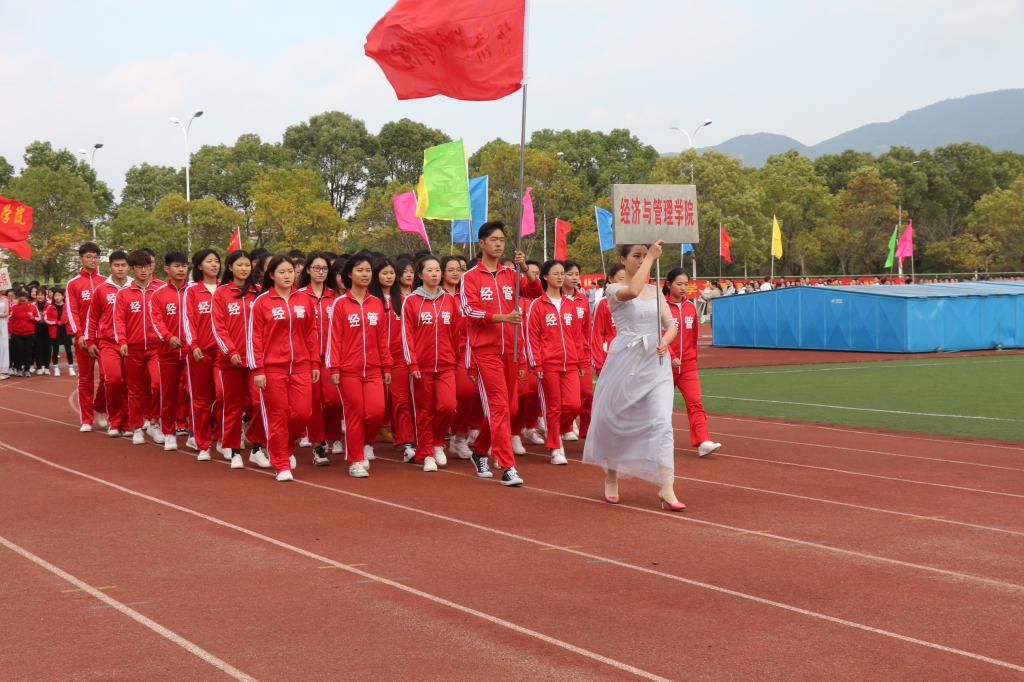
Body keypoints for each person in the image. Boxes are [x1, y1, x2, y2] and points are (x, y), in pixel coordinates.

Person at [582, 241, 685, 511]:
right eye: (636, 256)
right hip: (625, 361)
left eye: (644, 256)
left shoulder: (656, 290)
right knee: (616, 419)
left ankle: (667, 486)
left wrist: (665, 340)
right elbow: (633, 290)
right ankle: (612, 475)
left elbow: (671, 324)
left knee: (662, 422)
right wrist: (651, 258)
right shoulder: (614, 289)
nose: (641, 260)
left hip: (656, 362)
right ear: (623, 259)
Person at [460, 222, 529, 487]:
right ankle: (508, 466)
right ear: (482, 243)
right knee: (499, 406)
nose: (499, 244)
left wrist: (525, 269)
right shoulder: (470, 277)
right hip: (486, 350)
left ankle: (480, 450)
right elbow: (469, 310)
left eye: (502, 239)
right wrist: (501, 317)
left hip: (510, 348)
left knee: (509, 408)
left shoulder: (511, 274)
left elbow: (534, 291)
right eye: (493, 239)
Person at [247, 255, 320, 482]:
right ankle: (280, 464)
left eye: (290, 271)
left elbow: (311, 332)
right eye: (282, 272)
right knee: (278, 416)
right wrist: (258, 369)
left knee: (303, 413)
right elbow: (254, 338)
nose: (288, 276)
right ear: (271, 275)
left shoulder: (304, 300)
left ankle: (285, 447)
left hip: (301, 366)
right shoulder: (262, 302)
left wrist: (314, 362)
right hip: (272, 369)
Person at [327, 253, 392, 479]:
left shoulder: (377, 304)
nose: (365, 275)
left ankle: (365, 442)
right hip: (348, 370)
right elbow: (334, 338)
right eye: (360, 270)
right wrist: (334, 367)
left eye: (368, 271)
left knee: (376, 412)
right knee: (354, 413)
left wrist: (386, 366)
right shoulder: (340, 304)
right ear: (349, 274)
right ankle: (355, 460)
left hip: (373, 369)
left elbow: (382, 338)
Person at [401, 255, 459, 472]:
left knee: (448, 406)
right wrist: (412, 363)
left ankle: (437, 442)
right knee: (424, 410)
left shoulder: (449, 301)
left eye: (437, 270)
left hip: (446, 364)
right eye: (430, 270)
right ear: (420, 274)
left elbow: (456, 332)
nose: (435, 274)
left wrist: (454, 357)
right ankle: (426, 453)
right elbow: (407, 335)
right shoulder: (411, 301)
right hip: (421, 367)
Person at [212, 250, 265, 469]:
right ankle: (234, 450)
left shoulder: (258, 292)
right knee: (232, 406)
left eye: (247, 265)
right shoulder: (221, 293)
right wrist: (231, 351)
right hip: (230, 361)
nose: (244, 269)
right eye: (239, 265)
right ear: (230, 267)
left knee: (259, 402)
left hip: (255, 360)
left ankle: (257, 447)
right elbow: (218, 326)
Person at [525, 260, 581, 466]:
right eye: (555, 273)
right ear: (545, 277)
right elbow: (532, 336)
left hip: (570, 363)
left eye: (562, 273)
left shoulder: (570, 305)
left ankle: (556, 431)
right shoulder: (538, 305)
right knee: (553, 406)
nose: (560, 277)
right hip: (548, 364)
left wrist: (579, 359)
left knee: (574, 404)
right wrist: (536, 363)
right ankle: (556, 447)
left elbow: (577, 335)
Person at [663, 269, 722, 458]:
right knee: (661, 407)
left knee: (695, 402)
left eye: (685, 284)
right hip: (664, 366)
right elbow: (659, 334)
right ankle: (655, 442)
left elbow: (693, 335)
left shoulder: (690, 307)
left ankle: (703, 441)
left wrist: (692, 357)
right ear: (668, 284)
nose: (683, 288)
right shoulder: (661, 307)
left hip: (688, 366)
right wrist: (671, 356)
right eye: (679, 284)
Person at [297, 251, 343, 466]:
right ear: (308, 270)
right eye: (316, 268)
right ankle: (318, 445)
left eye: (324, 268)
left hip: (331, 358)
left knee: (333, 400)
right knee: (314, 402)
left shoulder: (336, 298)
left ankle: (333, 435)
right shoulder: (298, 296)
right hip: (307, 359)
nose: (320, 272)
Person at [114, 249, 162, 446]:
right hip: (132, 349)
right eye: (140, 267)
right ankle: (137, 427)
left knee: (157, 384)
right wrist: (122, 341)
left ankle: (154, 422)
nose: (144, 271)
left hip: (156, 348)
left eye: (147, 267)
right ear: (132, 269)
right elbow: (118, 320)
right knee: (135, 390)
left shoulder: (159, 291)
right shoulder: (124, 294)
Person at [371, 257, 415, 459]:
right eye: (384, 273)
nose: (389, 277)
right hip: (373, 359)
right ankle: (367, 441)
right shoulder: (370, 300)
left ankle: (406, 442)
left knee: (401, 401)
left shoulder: (404, 301)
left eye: (391, 273)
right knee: (375, 406)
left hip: (398, 358)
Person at [86, 251, 133, 437]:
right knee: (113, 380)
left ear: (129, 267)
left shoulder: (134, 287)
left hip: (131, 343)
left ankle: (127, 422)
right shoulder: (101, 289)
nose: (120, 269)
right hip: (108, 342)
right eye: (116, 265)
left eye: (123, 265)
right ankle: (114, 420)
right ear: (110, 267)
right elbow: (92, 317)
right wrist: (90, 340)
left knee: (129, 384)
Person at [182, 249, 222, 462]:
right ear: (199, 266)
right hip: (200, 353)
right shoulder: (192, 291)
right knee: (201, 401)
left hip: (223, 354)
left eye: (216, 261)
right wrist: (193, 344)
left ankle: (224, 439)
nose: (214, 265)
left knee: (223, 395)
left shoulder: (226, 289)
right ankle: (203, 444)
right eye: (209, 261)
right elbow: (188, 320)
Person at [149, 252, 191, 451]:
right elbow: (156, 321)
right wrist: (168, 336)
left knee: (193, 394)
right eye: (177, 266)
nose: (181, 270)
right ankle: (169, 433)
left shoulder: (193, 291)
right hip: (168, 353)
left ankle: (194, 432)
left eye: (184, 266)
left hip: (192, 353)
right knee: (168, 394)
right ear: (167, 269)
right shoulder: (158, 294)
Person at [66, 242, 108, 431]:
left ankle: (99, 408)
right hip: (83, 339)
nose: (93, 260)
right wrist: (80, 334)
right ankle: (86, 419)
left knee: (109, 377)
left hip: (104, 338)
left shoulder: (106, 282)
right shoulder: (73, 283)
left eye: (96, 257)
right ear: (80, 259)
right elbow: (72, 311)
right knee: (85, 379)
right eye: (89, 257)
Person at [440, 255, 477, 459]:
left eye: (460, 269)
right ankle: (435, 439)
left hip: (464, 351)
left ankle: (459, 437)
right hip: (440, 353)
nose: (456, 273)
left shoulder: (467, 295)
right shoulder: (437, 296)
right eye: (451, 269)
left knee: (466, 393)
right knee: (442, 402)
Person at [562, 260, 592, 441]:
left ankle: (586, 430)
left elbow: (587, 328)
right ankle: (565, 425)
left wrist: (587, 349)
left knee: (587, 394)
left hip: (582, 354)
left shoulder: (583, 299)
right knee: (567, 398)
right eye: (570, 274)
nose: (574, 278)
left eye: (576, 274)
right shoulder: (556, 299)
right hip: (563, 355)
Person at [591, 264, 625, 376]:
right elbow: (597, 335)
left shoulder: (634, 302)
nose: (625, 283)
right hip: (610, 358)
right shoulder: (603, 304)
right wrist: (599, 364)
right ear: (610, 279)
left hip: (630, 359)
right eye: (621, 279)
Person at [8, 289, 38, 377]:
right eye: (20, 300)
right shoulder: (14, 307)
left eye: (24, 300)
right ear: (17, 299)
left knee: (28, 352)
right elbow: (10, 319)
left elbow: (38, 318)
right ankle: (18, 369)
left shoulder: (33, 306)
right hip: (17, 334)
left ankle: (27, 369)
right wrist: (10, 332)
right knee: (18, 351)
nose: (22, 302)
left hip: (29, 333)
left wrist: (33, 318)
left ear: (27, 299)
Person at [44, 290, 73, 376]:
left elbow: (72, 317)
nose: (57, 297)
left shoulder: (68, 306)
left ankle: (71, 368)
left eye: (59, 295)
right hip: (55, 331)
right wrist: (56, 322)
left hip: (66, 330)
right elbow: (46, 319)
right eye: (55, 296)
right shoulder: (50, 307)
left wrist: (67, 321)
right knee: (55, 350)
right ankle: (56, 368)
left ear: (63, 296)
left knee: (68, 350)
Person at [32, 288, 51, 374]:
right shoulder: (33, 305)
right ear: (36, 296)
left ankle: (46, 367)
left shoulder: (50, 304)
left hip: (47, 328)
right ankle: (39, 367)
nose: (40, 296)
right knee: (38, 348)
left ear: (45, 296)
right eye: (38, 295)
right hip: (36, 329)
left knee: (47, 348)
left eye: (42, 295)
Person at [0, 288, 9, 378]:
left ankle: (3, 369)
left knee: (3, 345)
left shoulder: (5, 299)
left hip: (2, 324)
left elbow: (6, 313)